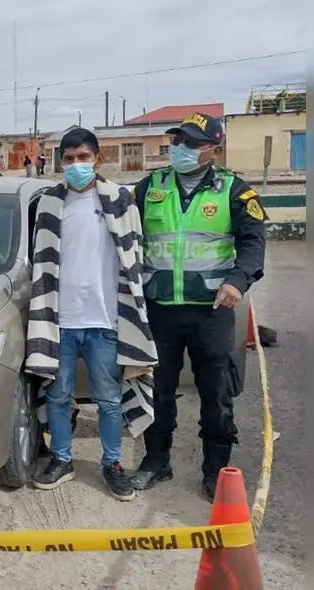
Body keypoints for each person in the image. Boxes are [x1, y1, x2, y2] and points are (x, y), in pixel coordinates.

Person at [129, 113, 267, 502]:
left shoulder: (234, 191)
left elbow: (254, 243)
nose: (181, 149)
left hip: (211, 309)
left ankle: (215, 471)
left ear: (213, 149)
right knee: (157, 389)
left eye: (191, 143)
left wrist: (237, 280)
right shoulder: (150, 186)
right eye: (177, 141)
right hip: (160, 307)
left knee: (216, 391)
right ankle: (156, 461)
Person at [26, 127, 158, 501]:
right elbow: (40, 262)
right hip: (60, 320)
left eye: (83, 158)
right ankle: (62, 459)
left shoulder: (120, 199)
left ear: (98, 159)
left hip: (105, 319)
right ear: (60, 163)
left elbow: (135, 257)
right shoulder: (50, 203)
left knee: (109, 399)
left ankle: (112, 464)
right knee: (57, 395)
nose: (76, 165)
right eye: (68, 159)